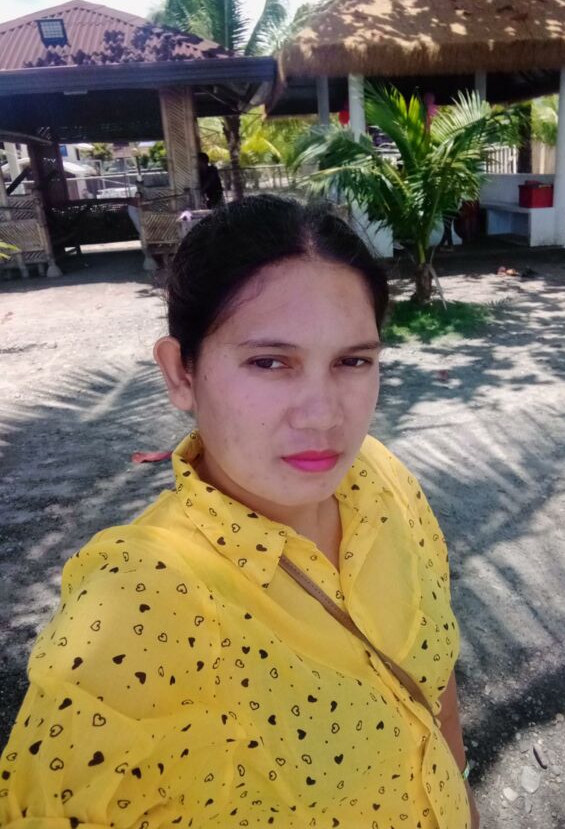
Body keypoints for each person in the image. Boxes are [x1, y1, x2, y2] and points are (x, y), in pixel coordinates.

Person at [0, 195, 479, 829]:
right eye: (269, 362)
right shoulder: (139, 609)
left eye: (353, 361)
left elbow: (431, 683)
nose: (323, 415)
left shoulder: (382, 480)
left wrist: (463, 798)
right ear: (181, 374)